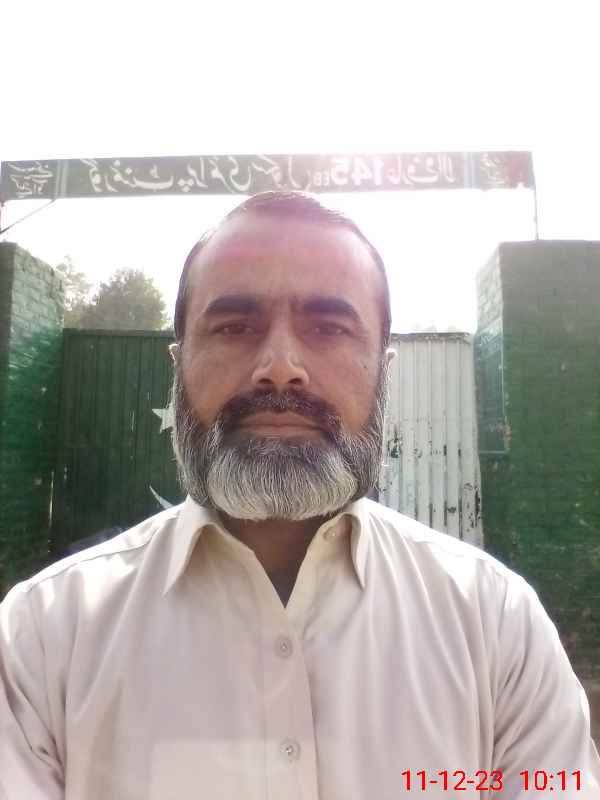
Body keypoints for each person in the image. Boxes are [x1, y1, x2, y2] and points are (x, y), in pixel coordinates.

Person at [1, 191, 599, 799]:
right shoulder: (42, 636)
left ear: (383, 370)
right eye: (235, 327)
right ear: (178, 366)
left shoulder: (496, 623)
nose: (281, 366)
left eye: (329, 328)